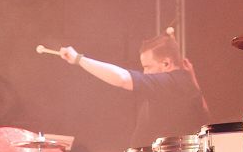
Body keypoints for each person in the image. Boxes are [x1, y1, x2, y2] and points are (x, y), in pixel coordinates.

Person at [54, 30, 206, 142]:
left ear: (166, 64)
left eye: (147, 66)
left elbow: (122, 78)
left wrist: (78, 59)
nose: (145, 73)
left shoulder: (173, 82)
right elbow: (204, 115)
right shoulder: (180, 84)